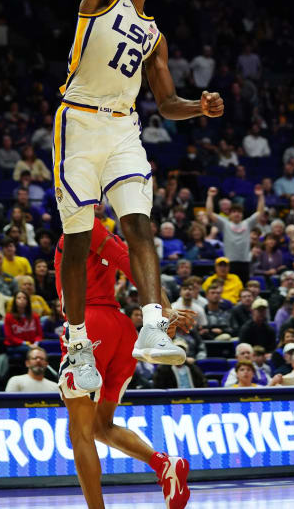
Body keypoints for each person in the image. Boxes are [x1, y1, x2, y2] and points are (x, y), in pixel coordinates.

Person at [56, 0, 223, 391]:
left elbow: (166, 103)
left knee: (140, 224)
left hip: (124, 127)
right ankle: (78, 344)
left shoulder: (155, 35)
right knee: (78, 242)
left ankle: (152, 323)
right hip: (79, 120)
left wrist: (199, 106)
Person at [55, 215, 192, 509]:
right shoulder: (109, 239)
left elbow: (130, 263)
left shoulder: (85, 226)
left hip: (89, 326)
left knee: (79, 432)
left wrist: (165, 309)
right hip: (120, 329)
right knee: (99, 427)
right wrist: (163, 308)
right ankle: (164, 464)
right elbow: (137, 264)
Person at [204, 187, 265, 285]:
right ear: (230, 214)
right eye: (234, 212)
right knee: (231, 287)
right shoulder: (225, 224)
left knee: (244, 287)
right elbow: (209, 213)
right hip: (230, 262)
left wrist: (261, 196)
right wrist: (210, 196)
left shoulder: (247, 223)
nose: (237, 214)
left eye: (240, 212)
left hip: (245, 262)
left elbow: (260, 212)